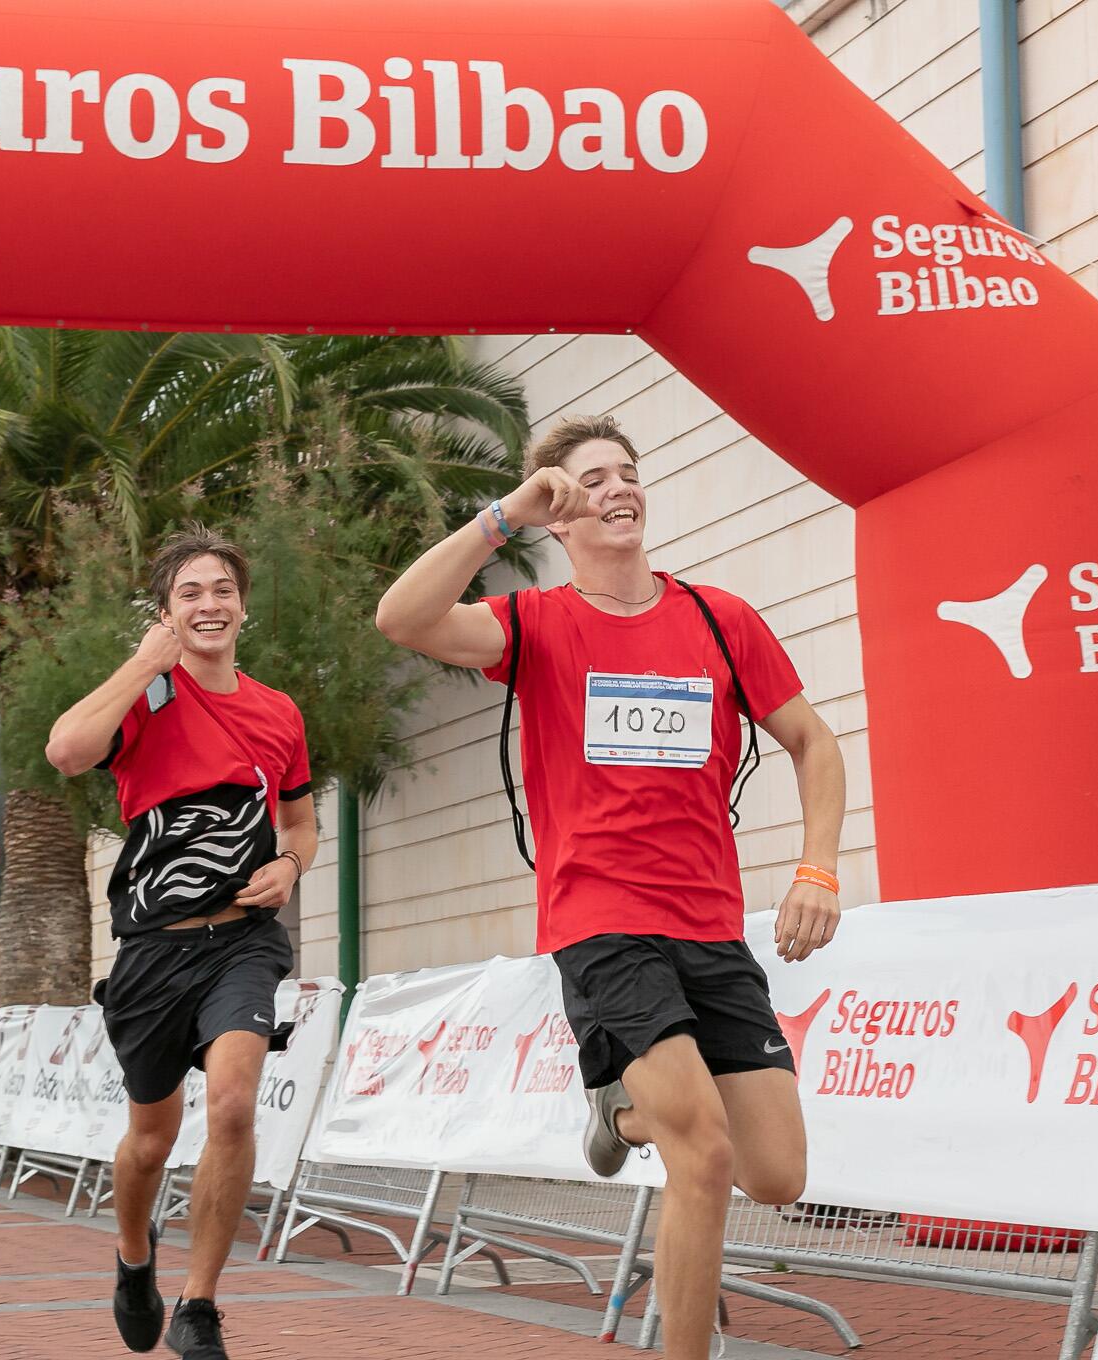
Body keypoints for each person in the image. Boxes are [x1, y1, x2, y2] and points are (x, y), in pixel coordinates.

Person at [375, 414, 846, 1360]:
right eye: (591, 480)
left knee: (776, 1172)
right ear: (560, 511)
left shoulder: (720, 619)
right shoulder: (537, 624)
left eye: (628, 474)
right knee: (703, 1153)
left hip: (709, 924)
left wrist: (817, 867)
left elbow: (815, 742)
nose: (617, 489)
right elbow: (403, 617)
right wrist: (505, 514)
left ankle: (618, 1106)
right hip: (600, 922)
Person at [46, 526, 316, 1360]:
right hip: (153, 953)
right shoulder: (145, 699)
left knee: (234, 1103)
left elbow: (300, 820)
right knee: (151, 1141)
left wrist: (292, 865)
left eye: (222, 590)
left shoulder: (278, 712)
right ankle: (134, 1260)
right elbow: (65, 751)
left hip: (242, 942)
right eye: (190, 593)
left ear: (244, 606)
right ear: (166, 612)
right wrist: (144, 664)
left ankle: (199, 1307)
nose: (210, 604)